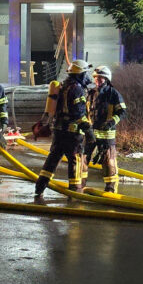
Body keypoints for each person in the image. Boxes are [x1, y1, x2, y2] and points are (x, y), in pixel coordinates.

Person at [34, 60, 89, 200]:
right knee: (75, 160)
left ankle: (40, 186)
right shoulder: (77, 89)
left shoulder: (63, 86)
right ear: (80, 74)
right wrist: (88, 130)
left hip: (59, 131)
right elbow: (78, 113)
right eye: (85, 73)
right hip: (73, 133)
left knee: (53, 159)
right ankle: (75, 191)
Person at [90, 66, 127, 195]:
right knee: (82, 159)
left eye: (100, 78)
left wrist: (112, 122)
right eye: (95, 77)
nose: (97, 80)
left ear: (106, 79)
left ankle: (110, 190)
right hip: (91, 133)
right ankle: (79, 186)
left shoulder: (113, 93)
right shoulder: (91, 93)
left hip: (107, 134)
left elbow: (122, 111)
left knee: (109, 162)